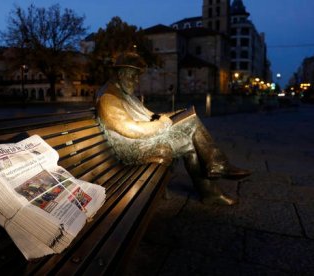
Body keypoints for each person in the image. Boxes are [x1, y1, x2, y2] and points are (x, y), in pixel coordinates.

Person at [95, 52, 251, 205]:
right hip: (132, 148)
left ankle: (211, 193)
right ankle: (218, 165)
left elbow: (151, 116)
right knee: (192, 125)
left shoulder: (125, 94)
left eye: (138, 76)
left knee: (190, 142)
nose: (137, 81)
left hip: (141, 140)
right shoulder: (109, 97)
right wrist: (163, 124)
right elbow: (129, 128)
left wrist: (174, 115)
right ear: (122, 74)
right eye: (133, 76)